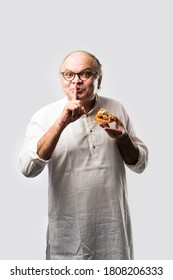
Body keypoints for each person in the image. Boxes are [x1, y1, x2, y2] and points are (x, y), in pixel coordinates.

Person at [19, 50, 148, 260]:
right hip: (68, 237)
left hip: (113, 236)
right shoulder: (46, 116)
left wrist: (123, 136)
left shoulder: (113, 110)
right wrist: (61, 123)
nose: (76, 81)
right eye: (68, 74)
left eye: (85, 74)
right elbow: (28, 168)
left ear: (100, 79)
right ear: (61, 78)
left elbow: (140, 165)